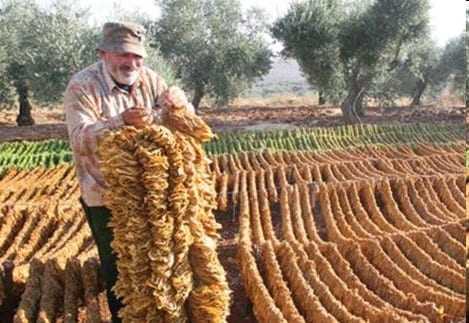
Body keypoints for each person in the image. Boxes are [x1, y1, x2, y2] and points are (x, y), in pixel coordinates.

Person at [64, 21, 193, 323]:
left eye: (137, 56)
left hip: (153, 194)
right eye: (123, 55)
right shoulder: (82, 86)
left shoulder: (151, 80)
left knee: (162, 263)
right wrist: (120, 120)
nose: (131, 62)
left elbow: (183, 122)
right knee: (120, 268)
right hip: (105, 194)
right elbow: (79, 138)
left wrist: (181, 108)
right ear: (104, 54)